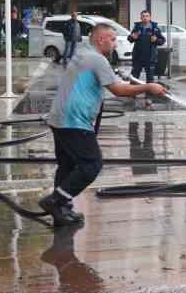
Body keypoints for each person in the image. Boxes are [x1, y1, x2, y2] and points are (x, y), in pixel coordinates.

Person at [39, 23, 166, 228]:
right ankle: (55, 201)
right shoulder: (97, 59)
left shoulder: (83, 54)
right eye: (113, 39)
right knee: (92, 165)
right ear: (101, 40)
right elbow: (119, 90)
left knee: (68, 166)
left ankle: (62, 210)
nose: (115, 44)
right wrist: (149, 86)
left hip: (60, 118)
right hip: (74, 121)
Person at [129, 10, 166, 89]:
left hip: (150, 57)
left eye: (147, 16)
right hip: (138, 57)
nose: (145, 18)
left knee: (150, 79)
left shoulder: (155, 28)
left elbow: (162, 41)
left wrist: (156, 40)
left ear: (150, 17)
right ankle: (132, 94)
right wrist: (132, 37)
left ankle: (149, 97)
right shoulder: (137, 27)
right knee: (134, 77)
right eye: (143, 16)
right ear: (141, 17)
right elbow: (129, 38)